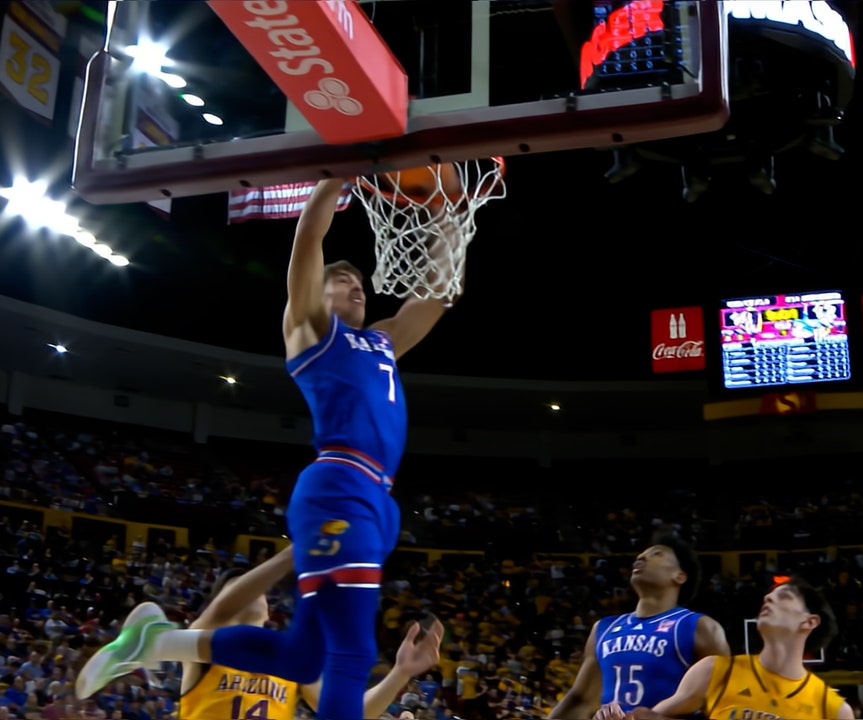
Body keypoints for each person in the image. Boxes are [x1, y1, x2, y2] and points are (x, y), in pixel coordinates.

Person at [75, 176, 460, 719]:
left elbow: (435, 297)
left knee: (305, 660)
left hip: (378, 500)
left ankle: (159, 644)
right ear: (318, 295)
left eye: (360, 283)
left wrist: (448, 223)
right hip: (340, 485)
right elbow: (309, 240)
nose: (357, 287)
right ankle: (159, 644)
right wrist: (334, 181)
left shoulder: (383, 340)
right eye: (343, 280)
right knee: (352, 651)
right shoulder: (310, 332)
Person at [172, 545, 444, 719]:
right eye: (237, 586)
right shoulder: (200, 642)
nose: (251, 593)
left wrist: (400, 673)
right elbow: (220, 612)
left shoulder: (291, 660)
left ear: (269, 611)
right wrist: (296, 551)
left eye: (259, 591)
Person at [596, 576, 852, 720]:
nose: (769, 597)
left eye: (784, 596)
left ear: (810, 621)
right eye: (768, 596)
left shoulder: (833, 709)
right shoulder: (714, 670)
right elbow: (652, 718)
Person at [548, 534, 730, 720]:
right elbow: (581, 700)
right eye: (641, 555)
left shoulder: (699, 627)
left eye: (656, 554)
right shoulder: (603, 629)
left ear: (680, 576)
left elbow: (726, 707)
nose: (641, 558)